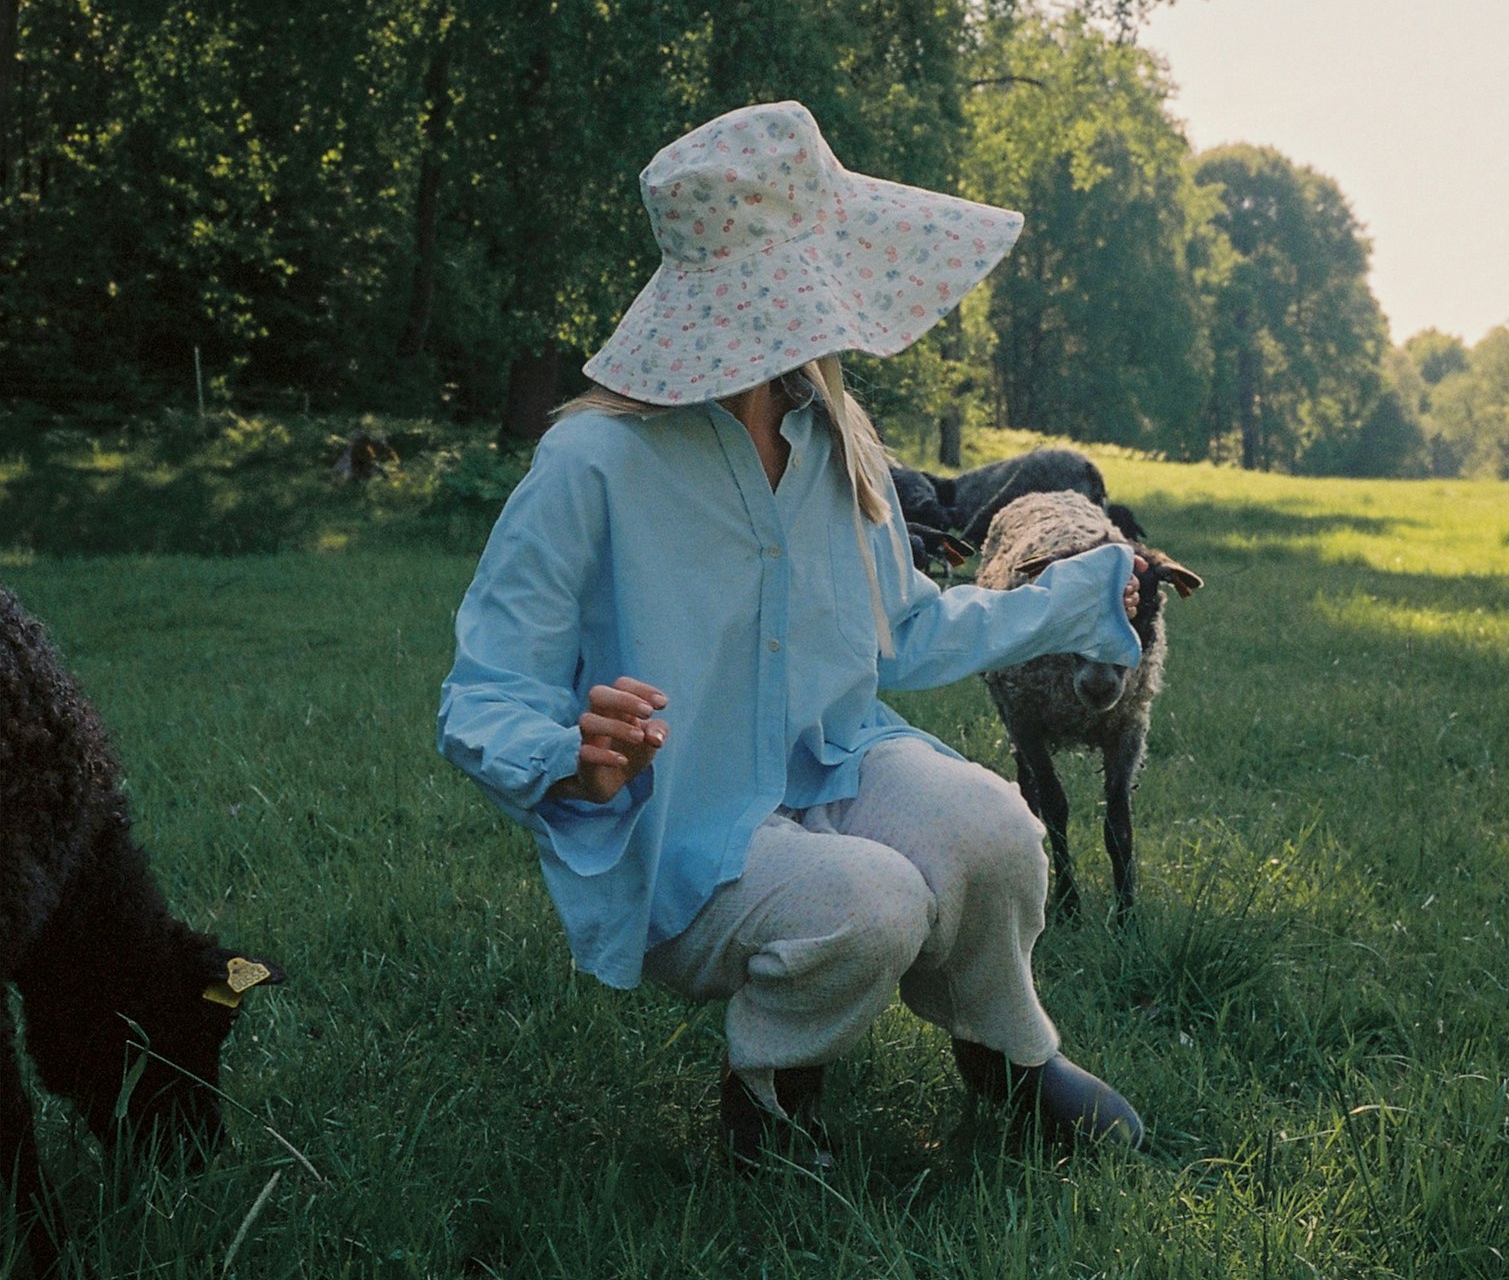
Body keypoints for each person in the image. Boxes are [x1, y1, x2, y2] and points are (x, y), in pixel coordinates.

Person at [437, 101, 1146, 1165]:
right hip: (684, 821)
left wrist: (1082, 595)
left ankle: (1003, 1054)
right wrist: (570, 760)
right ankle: (766, 1098)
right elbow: (484, 691)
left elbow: (900, 634)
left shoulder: (833, 438)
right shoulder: (592, 466)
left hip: (831, 761)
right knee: (870, 901)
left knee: (996, 828)